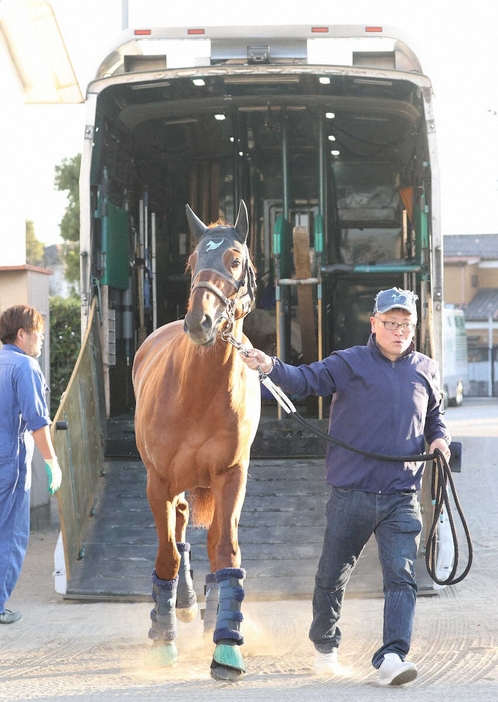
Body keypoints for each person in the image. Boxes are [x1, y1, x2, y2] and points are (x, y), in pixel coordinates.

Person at [240, 288, 451, 686]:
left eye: (406, 324)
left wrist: (439, 438)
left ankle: (392, 656)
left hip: (401, 496)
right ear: (374, 323)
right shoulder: (348, 363)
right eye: (390, 323)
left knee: (402, 578)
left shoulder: (426, 369)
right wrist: (269, 364)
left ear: (414, 327)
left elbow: (435, 417)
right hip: (351, 493)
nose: (398, 330)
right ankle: (325, 646)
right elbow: (304, 381)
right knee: (331, 576)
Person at [0, 304, 62, 624]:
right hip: (9, 462)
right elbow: (38, 423)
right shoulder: (24, 366)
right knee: (10, 535)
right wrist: (52, 462)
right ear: (21, 334)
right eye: (37, 331)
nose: (42, 337)